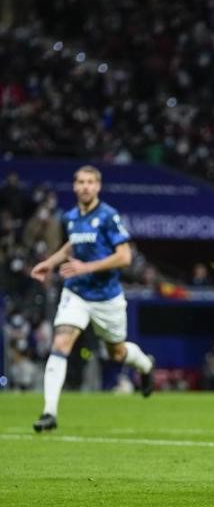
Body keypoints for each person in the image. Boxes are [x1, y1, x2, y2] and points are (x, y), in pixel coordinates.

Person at [29, 165, 155, 432]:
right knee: (61, 341)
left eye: (90, 182)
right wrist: (49, 263)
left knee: (117, 352)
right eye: (80, 182)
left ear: (98, 186)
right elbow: (73, 245)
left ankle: (145, 366)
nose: (85, 186)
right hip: (76, 292)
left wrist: (87, 267)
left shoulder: (109, 216)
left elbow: (125, 256)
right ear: (74, 186)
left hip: (106, 297)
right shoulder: (70, 216)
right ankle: (49, 412)